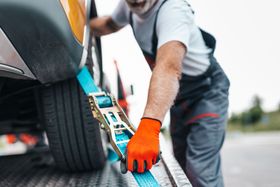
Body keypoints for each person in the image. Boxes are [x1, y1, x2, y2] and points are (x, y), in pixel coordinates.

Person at [90, 0, 230, 186]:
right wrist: (75, 25)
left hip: (206, 92)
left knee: (200, 172)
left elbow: (169, 68)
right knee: (182, 166)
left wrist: (149, 128)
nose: (137, 1)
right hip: (177, 96)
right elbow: (107, 25)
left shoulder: (173, 10)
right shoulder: (128, 7)